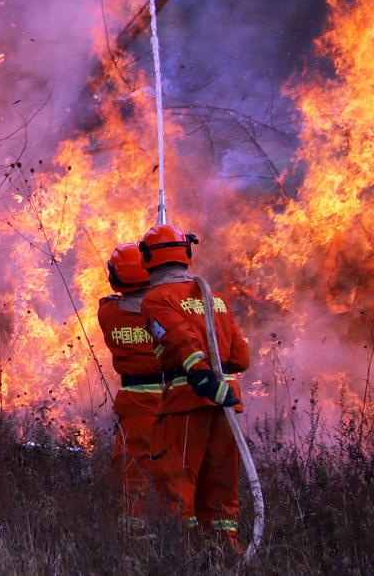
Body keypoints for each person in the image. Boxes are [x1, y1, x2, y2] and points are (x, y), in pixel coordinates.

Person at [137, 223, 250, 549]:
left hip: (188, 400)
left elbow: (178, 338)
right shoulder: (216, 299)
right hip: (225, 403)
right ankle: (226, 553)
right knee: (221, 486)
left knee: (174, 481)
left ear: (147, 259)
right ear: (186, 253)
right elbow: (240, 358)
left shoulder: (157, 299)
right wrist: (216, 380)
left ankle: (181, 553)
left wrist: (200, 375)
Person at [95, 241, 163, 526]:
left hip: (135, 404)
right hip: (175, 399)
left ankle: (133, 528)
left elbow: (111, 302)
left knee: (131, 468)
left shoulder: (108, 314)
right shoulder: (165, 311)